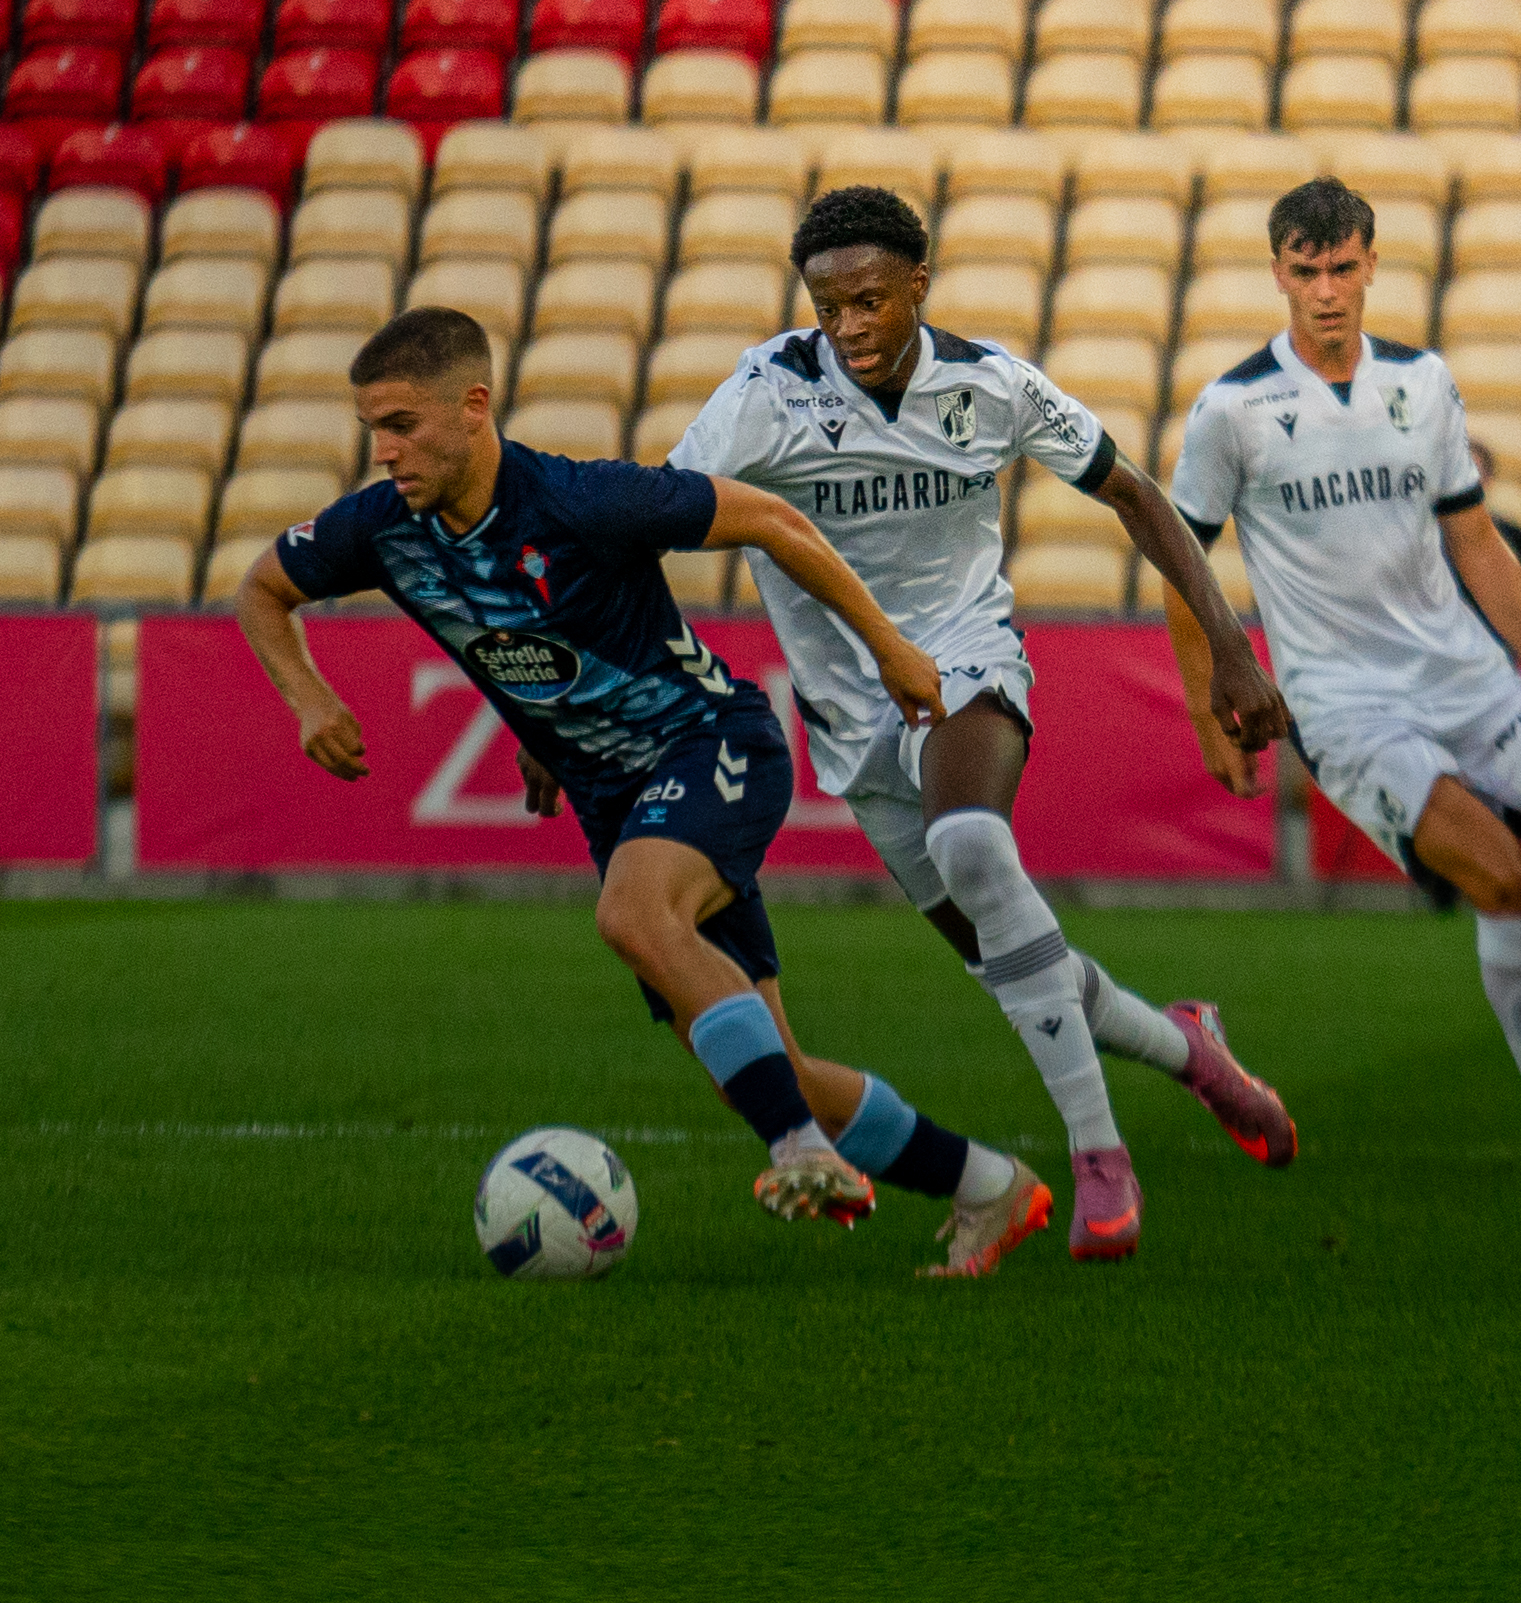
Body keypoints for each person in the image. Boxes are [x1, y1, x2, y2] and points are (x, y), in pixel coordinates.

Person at [237, 305, 1053, 1277]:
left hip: (713, 744)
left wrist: (889, 647)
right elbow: (261, 589)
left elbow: (774, 519)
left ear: (473, 406)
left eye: (402, 424)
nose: (384, 450)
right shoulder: (382, 529)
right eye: (373, 427)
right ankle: (990, 1185)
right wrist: (309, 698)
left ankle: (798, 1149)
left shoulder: (584, 500)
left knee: (632, 915)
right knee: (763, 1066)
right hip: (613, 801)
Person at [670, 187, 1297, 1263]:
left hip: (965, 659)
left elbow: (1135, 493)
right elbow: (650, 514)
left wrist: (1229, 644)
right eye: (828, 307)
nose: (848, 326)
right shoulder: (764, 395)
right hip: (850, 715)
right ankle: (1186, 1046)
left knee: (971, 842)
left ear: (919, 283)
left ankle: (1099, 1159)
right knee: (1010, 959)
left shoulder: (990, 383)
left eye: (871, 300)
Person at [1164, 176, 1521, 1077]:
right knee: (1503, 876)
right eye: (1305, 271)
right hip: (1345, 707)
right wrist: (1206, 712)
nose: (1325, 290)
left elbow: (1477, 544)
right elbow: (1181, 565)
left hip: (1472, 682)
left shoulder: (1422, 381)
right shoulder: (1230, 409)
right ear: (1277, 274)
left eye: (1341, 268)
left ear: (1370, 267)